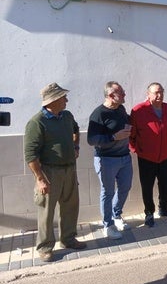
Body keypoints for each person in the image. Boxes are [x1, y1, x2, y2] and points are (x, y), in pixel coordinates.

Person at [24, 83, 86, 262]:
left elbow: (75, 130)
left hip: (69, 169)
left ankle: (68, 239)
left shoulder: (66, 116)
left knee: (70, 206)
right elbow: (30, 155)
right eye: (63, 97)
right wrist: (40, 179)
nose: (66, 100)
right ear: (52, 100)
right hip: (49, 172)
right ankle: (45, 247)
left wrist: (76, 146)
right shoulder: (36, 122)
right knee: (46, 211)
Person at [87, 81, 133, 240]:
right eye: (122, 92)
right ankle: (108, 225)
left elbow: (125, 121)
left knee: (125, 188)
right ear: (111, 96)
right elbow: (91, 140)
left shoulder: (120, 109)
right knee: (107, 192)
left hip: (125, 157)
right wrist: (113, 137)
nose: (125, 94)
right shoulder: (98, 114)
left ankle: (117, 215)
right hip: (106, 159)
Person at [130, 82, 167, 228]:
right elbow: (131, 135)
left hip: (164, 154)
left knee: (165, 183)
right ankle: (149, 213)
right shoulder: (138, 110)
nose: (159, 95)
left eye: (161, 92)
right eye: (156, 92)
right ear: (148, 94)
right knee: (147, 186)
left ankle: (164, 208)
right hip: (146, 156)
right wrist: (136, 150)